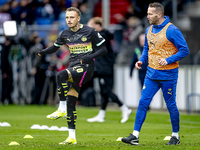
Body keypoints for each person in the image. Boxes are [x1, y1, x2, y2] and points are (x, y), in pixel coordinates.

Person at [36, 7, 107, 145]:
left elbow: (103, 49)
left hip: (87, 68)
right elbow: (55, 47)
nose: (69, 20)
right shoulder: (64, 34)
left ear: (78, 18)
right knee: (71, 102)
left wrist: (89, 57)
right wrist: (43, 52)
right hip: (73, 67)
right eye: (67, 17)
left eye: (72, 17)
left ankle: (60, 108)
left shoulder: (90, 31)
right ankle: (72, 137)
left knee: (61, 75)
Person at [121, 2, 189, 146]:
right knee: (143, 103)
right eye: (147, 13)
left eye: (150, 14)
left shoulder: (172, 30)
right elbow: (147, 49)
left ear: (159, 15)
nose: (147, 16)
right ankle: (135, 136)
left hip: (168, 75)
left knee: (170, 105)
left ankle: (175, 136)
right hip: (151, 74)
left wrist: (168, 60)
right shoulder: (148, 30)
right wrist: (141, 61)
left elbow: (184, 50)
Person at [86, 17, 132, 123]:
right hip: (102, 67)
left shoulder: (102, 36)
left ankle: (125, 108)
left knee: (106, 91)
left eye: (90, 25)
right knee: (103, 92)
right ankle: (101, 115)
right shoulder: (103, 34)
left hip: (105, 68)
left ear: (97, 25)